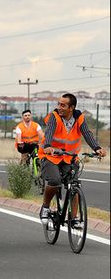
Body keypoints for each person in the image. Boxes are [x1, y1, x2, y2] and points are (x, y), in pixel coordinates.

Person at [38, 93, 106, 225]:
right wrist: (47, 146)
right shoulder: (54, 116)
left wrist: (97, 148)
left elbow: (86, 133)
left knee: (74, 185)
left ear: (71, 107)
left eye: (63, 105)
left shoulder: (79, 117)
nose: (59, 107)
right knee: (54, 180)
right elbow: (50, 131)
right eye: (58, 104)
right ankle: (45, 207)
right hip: (50, 156)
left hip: (69, 158)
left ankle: (73, 218)